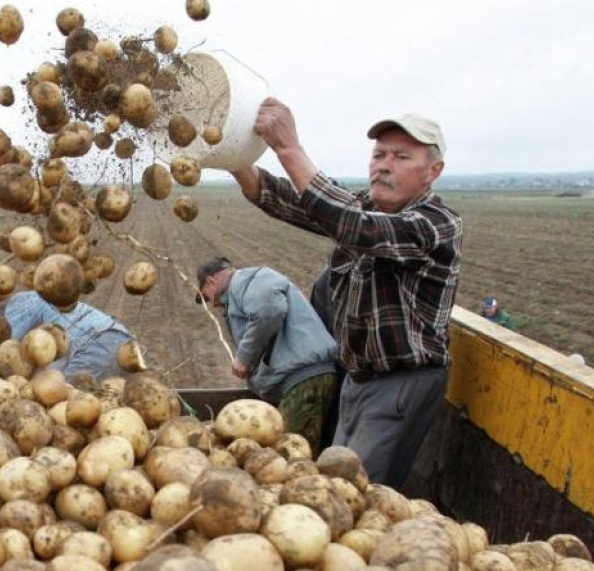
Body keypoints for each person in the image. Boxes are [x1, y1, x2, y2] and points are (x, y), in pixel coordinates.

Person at [232, 100, 463, 489]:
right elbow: (298, 203)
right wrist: (234, 159)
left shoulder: (437, 224)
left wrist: (289, 148)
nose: (383, 164)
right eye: (379, 154)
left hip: (400, 383)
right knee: (334, 482)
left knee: (356, 493)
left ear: (433, 171)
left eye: (401, 156)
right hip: (356, 377)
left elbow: (356, 226)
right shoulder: (367, 207)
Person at [196, 258, 339, 453]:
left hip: (304, 379)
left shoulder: (247, 280)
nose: (212, 304)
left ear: (211, 282)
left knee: (290, 455)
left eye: (206, 297)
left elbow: (270, 311)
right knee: (297, 452)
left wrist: (244, 357)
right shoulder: (241, 290)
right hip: (301, 379)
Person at [0, 291, 136, 383]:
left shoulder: (16, 306)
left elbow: (10, 348)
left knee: (62, 401)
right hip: (125, 345)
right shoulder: (45, 304)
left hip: (97, 345)